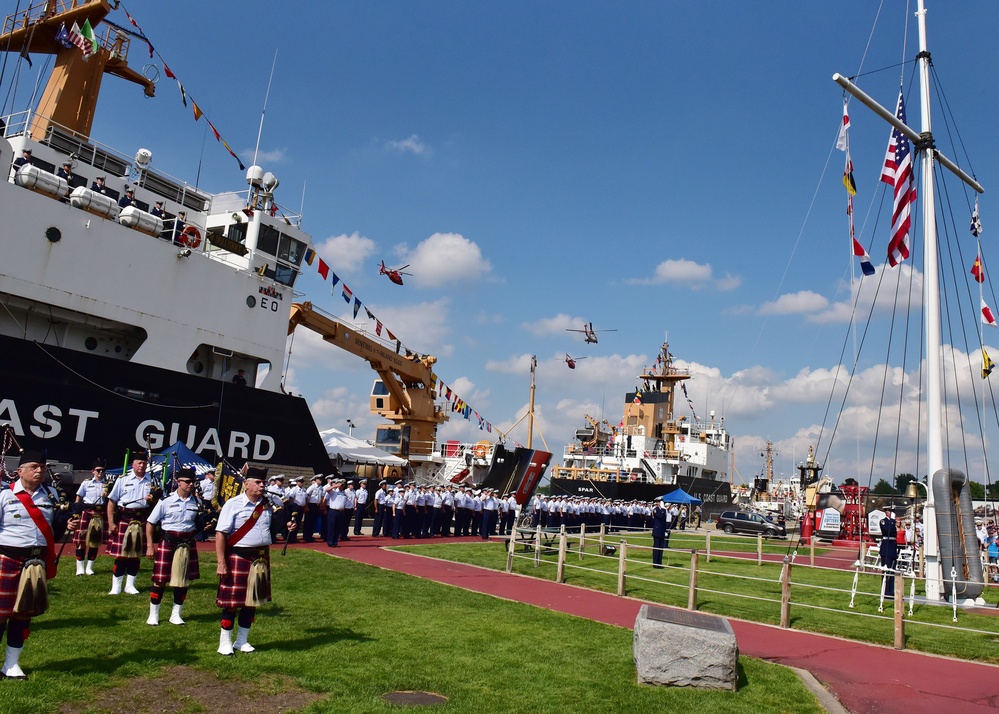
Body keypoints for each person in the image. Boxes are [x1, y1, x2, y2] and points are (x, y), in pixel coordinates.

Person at [0, 450, 79, 679]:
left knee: (23, 614)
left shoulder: (52, 495)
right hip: (7, 559)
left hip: (34, 563)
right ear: (20, 471)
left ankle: (11, 665)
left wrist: (67, 525)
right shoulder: (5, 495)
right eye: (34, 467)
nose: (39, 471)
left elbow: (52, 530)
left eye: (42, 468)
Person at [215, 467, 293, 655]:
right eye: (258, 483)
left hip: (260, 558)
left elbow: (271, 528)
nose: (262, 486)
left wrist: (287, 525)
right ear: (246, 484)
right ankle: (224, 642)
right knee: (231, 603)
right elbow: (221, 534)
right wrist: (221, 562)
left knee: (252, 600)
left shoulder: (267, 505)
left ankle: (242, 641)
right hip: (238, 556)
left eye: (263, 483)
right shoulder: (233, 504)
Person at [144, 469, 201, 626]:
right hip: (168, 542)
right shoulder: (165, 501)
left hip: (187, 544)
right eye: (187, 482)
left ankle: (176, 614)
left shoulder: (196, 502)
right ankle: (153, 614)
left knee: (182, 579)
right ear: (178, 482)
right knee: (160, 579)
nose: (191, 485)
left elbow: (199, 523)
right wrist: (150, 546)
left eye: (193, 482)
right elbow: (150, 523)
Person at [106, 450, 154, 595]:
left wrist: (154, 498)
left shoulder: (151, 480)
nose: (142, 466)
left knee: (135, 555)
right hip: (124, 519)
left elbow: (159, 501)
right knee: (121, 555)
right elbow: (111, 501)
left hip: (141, 520)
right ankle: (116, 586)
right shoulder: (123, 479)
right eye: (139, 463)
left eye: (144, 463)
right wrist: (111, 522)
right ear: (133, 464)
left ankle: (130, 585)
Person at [73, 459, 108, 575]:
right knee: (81, 540)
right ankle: (80, 568)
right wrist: (76, 513)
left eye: (102, 470)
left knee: (95, 540)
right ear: (93, 471)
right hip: (87, 512)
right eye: (98, 470)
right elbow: (78, 498)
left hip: (100, 513)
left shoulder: (108, 484)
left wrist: (107, 495)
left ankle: (89, 568)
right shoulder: (86, 483)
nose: (100, 473)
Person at [879, 508, 899, 597]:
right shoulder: (883, 521)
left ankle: (891, 591)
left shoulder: (893, 522)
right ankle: (885, 591)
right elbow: (888, 531)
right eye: (891, 512)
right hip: (886, 547)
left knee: (892, 570)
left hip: (893, 547)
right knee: (886, 570)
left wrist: (895, 523)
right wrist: (893, 522)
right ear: (887, 513)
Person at [650, 497, 670, 569]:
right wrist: (663, 509)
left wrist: (665, 531)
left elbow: (664, 522)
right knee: (656, 548)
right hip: (657, 531)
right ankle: (655, 564)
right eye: (660, 502)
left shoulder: (663, 510)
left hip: (661, 531)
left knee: (661, 549)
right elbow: (660, 516)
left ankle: (659, 563)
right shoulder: (655, 510)